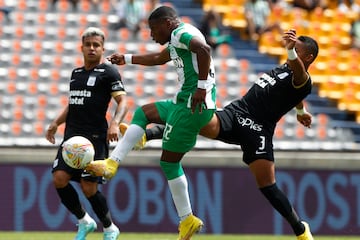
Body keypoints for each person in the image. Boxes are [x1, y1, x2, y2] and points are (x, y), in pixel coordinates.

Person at [88, 29, 318, 240]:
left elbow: (299, 80)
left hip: (258, 129)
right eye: (292, 50)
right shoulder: (284, 70)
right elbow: (292, 93)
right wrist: (300, 111)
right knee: (196, 118)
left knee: (267, 185)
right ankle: (147, 135)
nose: (292, 54)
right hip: (235, 113)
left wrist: (289, 50)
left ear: (306, 58)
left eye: (297, 51)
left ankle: (300, 229)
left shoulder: (302, 78)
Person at [86, 5, 217, 239]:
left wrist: (201, 87)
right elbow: (158, 58)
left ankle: (187, 218)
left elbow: (204, 49)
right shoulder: (180, 36)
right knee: (143, 112)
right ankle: (113, 162)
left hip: (191, 107)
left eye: (153, 29)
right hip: (184, 102)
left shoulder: (180, 34)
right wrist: (126, 58)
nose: (151, 34)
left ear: (167, 24)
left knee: (169, 163)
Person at [45, 27, 127, 240]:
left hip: (95, 139)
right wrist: (55, 123)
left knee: (88, 187)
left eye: (96, 45)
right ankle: (84, 221)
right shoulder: (76, 74)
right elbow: (73, 104)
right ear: (81, 48)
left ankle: (110, 228)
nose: (92, 48)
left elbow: (123, 101)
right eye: (88, 45)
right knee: (59, 178)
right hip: (71, 138)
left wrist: (115, 123)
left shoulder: (109, 72)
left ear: (102, 48)